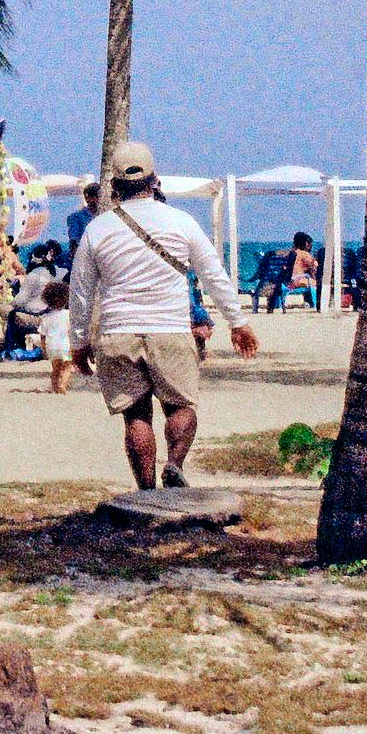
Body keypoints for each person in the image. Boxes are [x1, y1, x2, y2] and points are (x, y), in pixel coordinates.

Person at [66, 141, 254, 491]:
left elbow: (80, 292)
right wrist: (237, 321)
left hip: (117, 331)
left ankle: (146, 492)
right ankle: (175, 463)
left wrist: (77, 342)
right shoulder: (181, 222)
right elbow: (213, 274)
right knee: (180, 406)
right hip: (170, 328)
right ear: (155, 181)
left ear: (114, 188)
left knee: (135, 415)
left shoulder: (97, 228)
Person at [40, 280, 78, 392]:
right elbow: (73, 331)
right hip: (66, 345)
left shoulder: (46, 317)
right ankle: (62, 386)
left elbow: (43, 335)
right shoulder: (68, 315)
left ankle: (55, 387)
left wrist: (44, 349)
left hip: (51, 346)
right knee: (67, 368)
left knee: (55, 369)